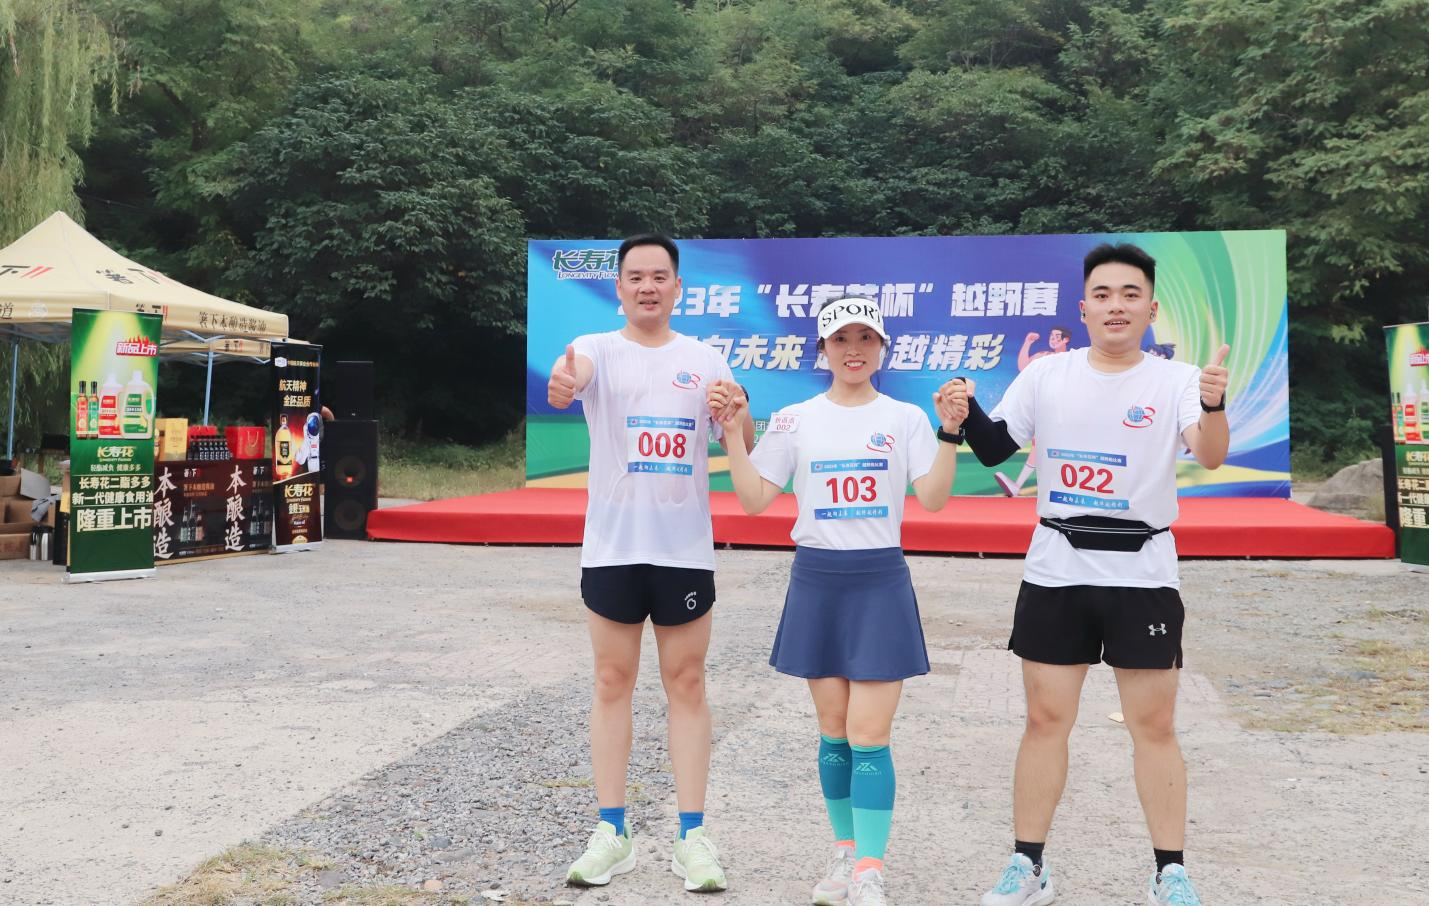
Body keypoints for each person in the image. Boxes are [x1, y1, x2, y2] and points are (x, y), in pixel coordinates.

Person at [959, 243, 1229, 906]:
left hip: (1144, 574)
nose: (1116, 306)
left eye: (1130, 294)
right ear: (1082, 308)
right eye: (1102, 295)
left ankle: (1170, 873)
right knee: (1044, 719)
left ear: (1150, 309)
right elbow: (995, 448)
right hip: (1057, 568)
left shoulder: (1179, 380)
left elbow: (1211, 455)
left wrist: (1213, 404)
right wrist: (964, 411)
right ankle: (1028, 866)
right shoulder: (1047, 376)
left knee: (1154, 725)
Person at [710, 295, 967, 906]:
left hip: (879, 581)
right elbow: (754, 500)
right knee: (833, 731)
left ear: (882, 348)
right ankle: (845, 854)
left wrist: (950, 432)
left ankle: (870, 870)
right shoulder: (794, 420)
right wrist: (733, 439)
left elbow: (933, 498)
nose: (854, 350)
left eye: (865, 338)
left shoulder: (905, 418)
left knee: (869, 733)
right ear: (822, 349)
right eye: (841, 339)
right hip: (817, 580)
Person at [548, 233, 754, 894]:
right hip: (613, 546)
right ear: (618, 287)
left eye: (658, 276)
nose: (647, 286)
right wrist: (564, 382)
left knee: (686, 683)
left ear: (677, 287)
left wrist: (738, 413)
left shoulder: (705, 358)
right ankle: (612, 832)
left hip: (682, 550)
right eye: (634, 276)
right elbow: (570, 379)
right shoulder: (596, 349)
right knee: (612, 680)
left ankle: (692, 836)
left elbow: (739, 437)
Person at [994, 327, 1073, 497]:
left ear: (1066, 340)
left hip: (1064, 409)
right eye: (1051, 336)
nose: (1053, 339)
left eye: (1057, 336)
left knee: (1052, 446)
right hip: (1043, 408)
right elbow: (1023, 367)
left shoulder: (1072, 360)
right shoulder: (1043, 356)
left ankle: (1026, 485)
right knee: (1040, 445)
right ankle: (1020, 485)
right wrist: (1027, 343)